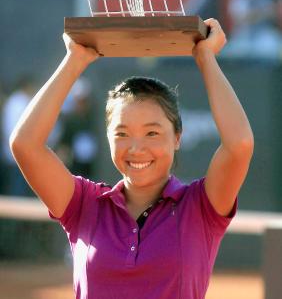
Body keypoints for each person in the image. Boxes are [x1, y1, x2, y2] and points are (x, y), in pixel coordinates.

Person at [9, 18, 254, 299]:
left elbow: (239, 144)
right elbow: (25, 144)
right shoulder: (84, 205)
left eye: (152, 133)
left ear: (177, 137)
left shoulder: (200, 207)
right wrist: (74, 60)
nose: (136, 148)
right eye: (122, 133)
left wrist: (205, 57)